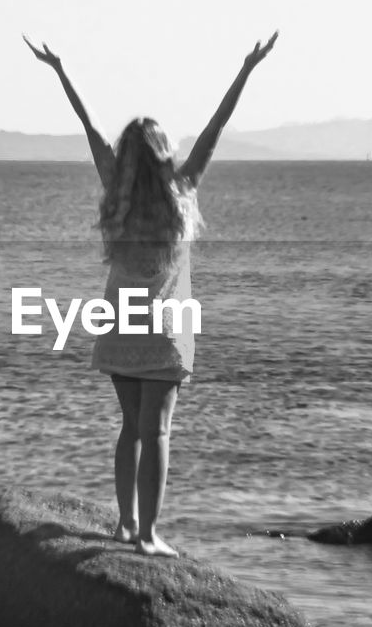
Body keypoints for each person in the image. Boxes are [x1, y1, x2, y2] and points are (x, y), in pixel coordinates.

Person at [24, 31, 279, 556]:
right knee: (157, 433)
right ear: (165, 154)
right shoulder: (182, 191)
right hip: (163, 336)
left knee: (130, 431)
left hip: (118, 330)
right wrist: (247, 69)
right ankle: (146, 536)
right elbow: (216, 126)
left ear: (128, 156)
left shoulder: (115, 189)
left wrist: (60, 70)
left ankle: (124, 524)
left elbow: (88, 126)